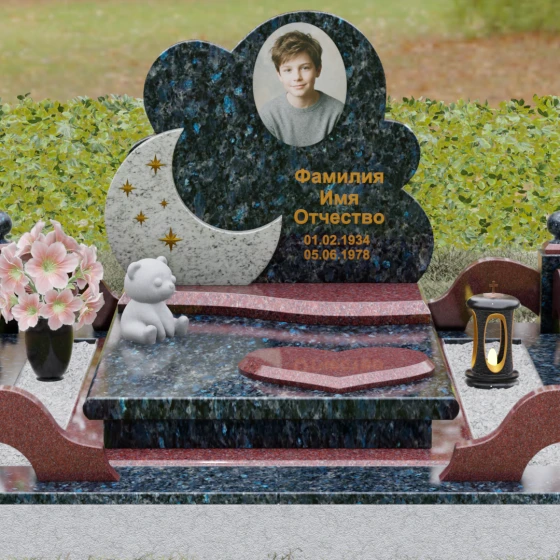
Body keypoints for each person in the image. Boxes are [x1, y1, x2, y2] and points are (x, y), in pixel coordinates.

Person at [259, 30, 344, 147]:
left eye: (305, 68)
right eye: (288, 70)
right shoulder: (268, 115)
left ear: (318, 70)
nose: (297, 77)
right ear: (279, 75)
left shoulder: (337, 112)